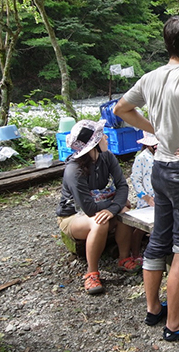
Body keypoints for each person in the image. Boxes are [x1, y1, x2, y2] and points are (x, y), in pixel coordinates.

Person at [113, 16, 179, 341]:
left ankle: (153, 309)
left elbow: (121, 109)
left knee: (159, 240)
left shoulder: (150, 78)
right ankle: (175, 325)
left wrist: (152, 129)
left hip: (161, 167)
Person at [56, 119, 141, 295]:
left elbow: (122, 186)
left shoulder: (107, 156)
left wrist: (114, 207)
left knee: (125, 212)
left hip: (101, 206)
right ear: (93, 145)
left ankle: (123, 257)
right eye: (102, 136)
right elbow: (87, 208)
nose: (106, 138)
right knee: (99, 222)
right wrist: (115, 204)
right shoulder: (74, 170)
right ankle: (91, 273)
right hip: (73, 217)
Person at [131, 131, 158, 209]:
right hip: (147, 201)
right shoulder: (142, 158)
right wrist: (146, 198)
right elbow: (135, 180)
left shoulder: (162, 156)